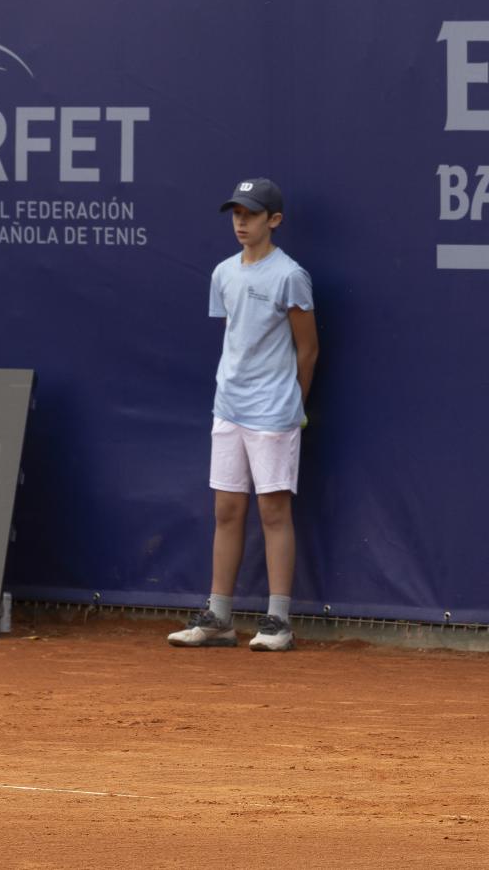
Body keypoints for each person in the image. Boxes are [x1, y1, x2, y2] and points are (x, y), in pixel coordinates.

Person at [168, 177, 318, 652]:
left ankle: (278, 621)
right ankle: (219, 617)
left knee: (274, 511)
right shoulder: (223, 273)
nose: (241, 221)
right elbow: (235, 335)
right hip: (228, 406)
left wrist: (293, 403)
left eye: (251, 214)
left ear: (273, 221)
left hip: (273, 410)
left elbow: (308, 349)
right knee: (227, 509)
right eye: (236, 213)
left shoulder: (290, 275)